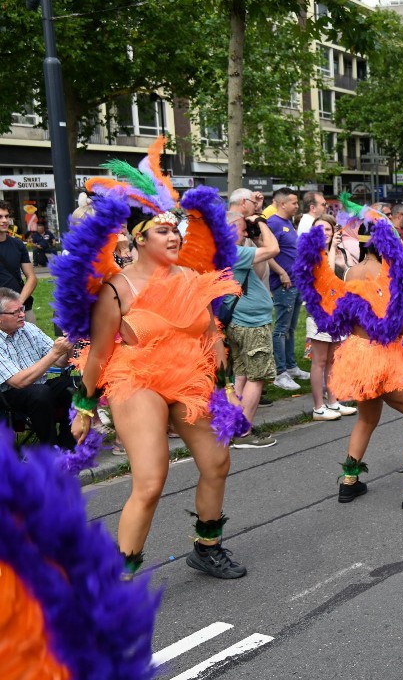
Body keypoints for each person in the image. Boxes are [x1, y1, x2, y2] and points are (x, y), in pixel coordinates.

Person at [71, 206, 246, 580]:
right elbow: (99, 354)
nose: (173, 237)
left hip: (188, 376)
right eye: (162, 231)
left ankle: (207, 548)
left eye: (175, 230)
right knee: (151, 480)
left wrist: (227, 388)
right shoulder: (117, 289)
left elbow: (212, 335)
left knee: (217, 463)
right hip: (138, 380)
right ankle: (120, 575)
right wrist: (84, 408)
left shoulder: (191, 277)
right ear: (139, 238)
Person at [329, 231, 403, 510]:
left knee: (366, 420)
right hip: (385, 357)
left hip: (356, 354)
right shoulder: (392, 274)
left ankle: (349, 482)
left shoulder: (350, 272)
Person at [223, 210, 280, 448]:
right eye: (242, 228)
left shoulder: (220, 251)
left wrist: (255, 239)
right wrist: (259, 222)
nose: (246, 232)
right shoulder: (232, 252)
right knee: (258, 377)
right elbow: (274, 249)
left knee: (242, 374)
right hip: (251, 322)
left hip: (238, 320)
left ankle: (233, 424)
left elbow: (259, 267)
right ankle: (243, 432)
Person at [0, 287, 75, 447]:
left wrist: (69, 343)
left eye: (22, 309)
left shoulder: (29, 328)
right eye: (15, 312)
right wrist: (54, 354)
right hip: (8, 396)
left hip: (39, 388)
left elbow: (61, 362)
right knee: (40, 393)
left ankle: (68, 444)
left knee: (76, 385)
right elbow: (19, 382)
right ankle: (50, 448)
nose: (22, 314)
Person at [306, 213, 356, 420]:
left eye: (328, 229)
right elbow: (324, 275)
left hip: (337, 312)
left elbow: (348, 278)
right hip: (319, 312)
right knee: (320, 360)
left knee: (333, 360)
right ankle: (319, 407)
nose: (324, 233)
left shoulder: (335, 252)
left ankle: (333, 402)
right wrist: (333, 250)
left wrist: (343, 264)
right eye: (320, 229)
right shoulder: (311, 253)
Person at [266, 188, 310, 390]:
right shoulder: (274, 223)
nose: (296, 205)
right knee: (281, 329)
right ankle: (279, 372)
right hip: (284, 284)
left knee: (291, 329)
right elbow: (267, 252)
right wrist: (281, 272)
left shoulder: (288, 224)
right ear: (281, 203)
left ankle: (291, 367)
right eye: (293, 202)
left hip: (294, 282)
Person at [0, 201, 38, 324]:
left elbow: (31, 277)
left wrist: (18, 304)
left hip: (22, 308)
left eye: (7, 216)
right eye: (0, 217)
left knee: (33, 342)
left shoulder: (17, 244)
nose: (5, 220)